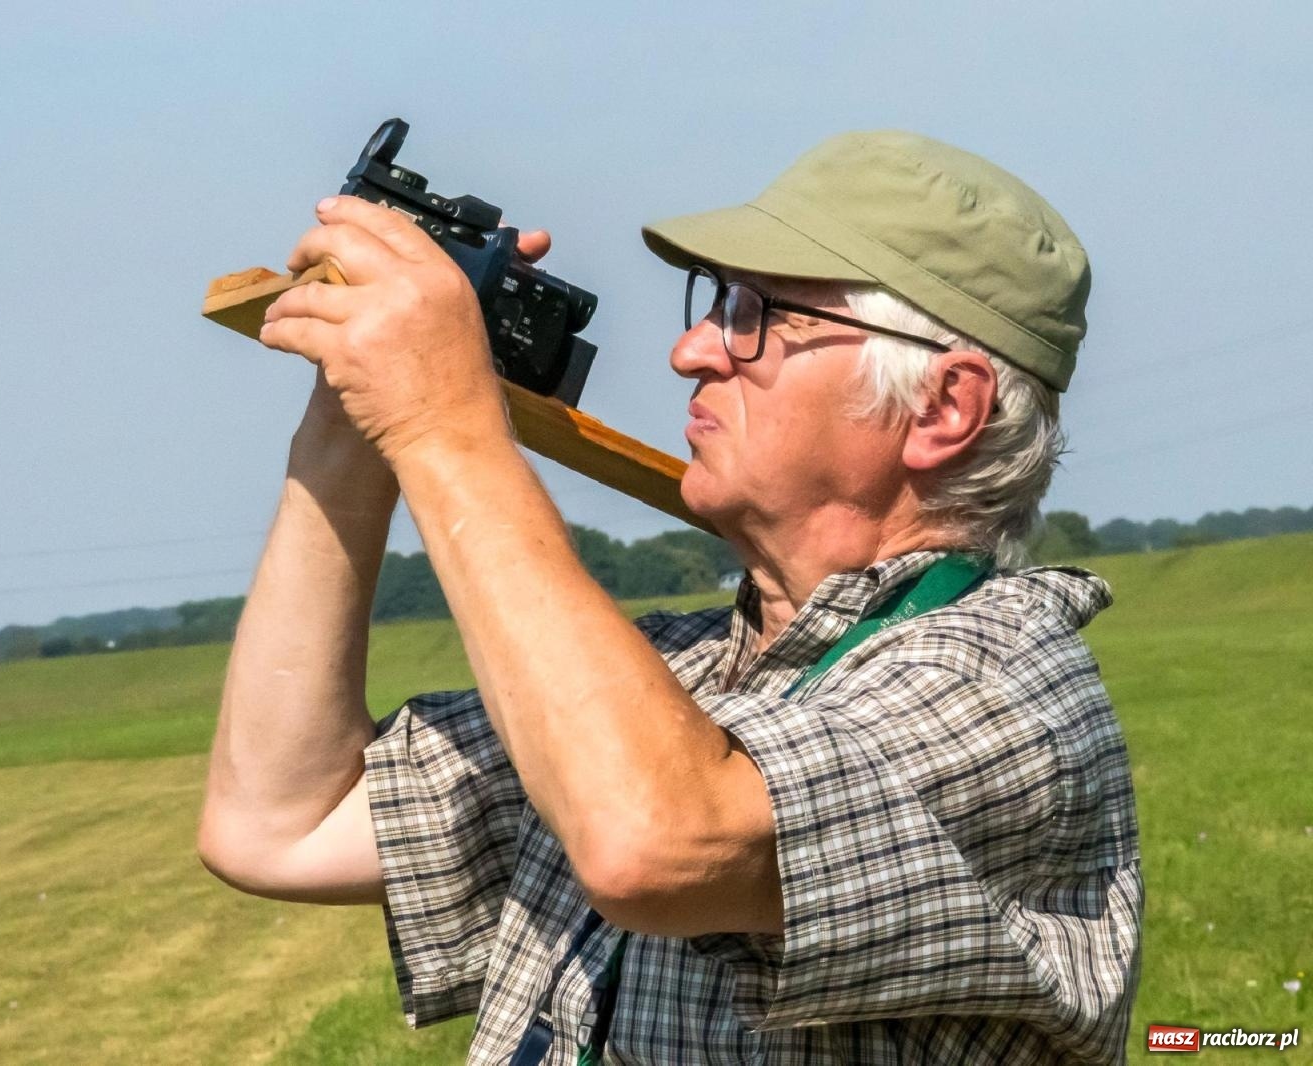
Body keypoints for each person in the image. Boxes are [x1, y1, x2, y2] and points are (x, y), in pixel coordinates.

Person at [197, 129, 1142, 1064]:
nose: (692, 351)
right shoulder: (679, 671)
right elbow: (279, 824)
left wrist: (444, 419)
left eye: (754, 313)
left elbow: (651, 843)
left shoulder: (1004, 686)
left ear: (942, 408)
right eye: (714, 304)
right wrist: (354, 408)